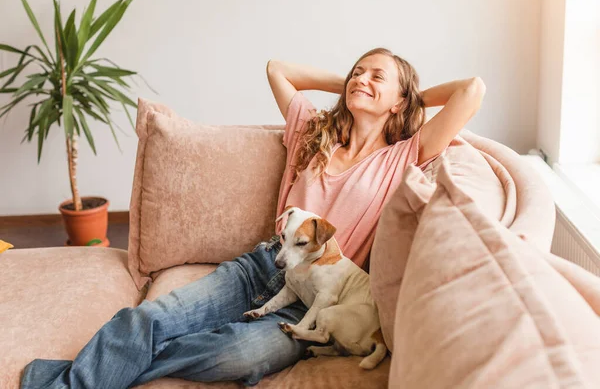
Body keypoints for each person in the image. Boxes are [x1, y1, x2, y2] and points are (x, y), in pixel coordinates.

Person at [20, 47, 485, 388]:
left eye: (377, 76)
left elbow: (472, 90)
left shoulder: (404, 155)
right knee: (152, 317)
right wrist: (350, 85)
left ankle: (63, 376)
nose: (362, 78)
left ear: (400, 102)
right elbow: (277, 68)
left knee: (239, 356)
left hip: (314, 302)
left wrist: (413, 94)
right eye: (357, 71)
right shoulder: (313, 131)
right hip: (260, 267)